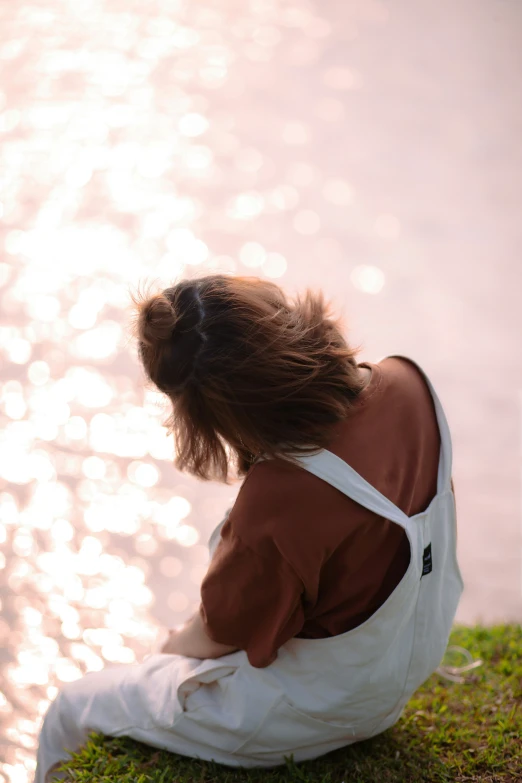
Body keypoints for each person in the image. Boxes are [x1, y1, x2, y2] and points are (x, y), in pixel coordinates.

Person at [35, 273, 464, 782]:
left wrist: (164, 653)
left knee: (70, 708)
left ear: (212, 413)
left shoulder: (281, 498)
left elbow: (222, 633)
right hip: (404, 666)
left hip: (324, 711)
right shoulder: (408, 382)